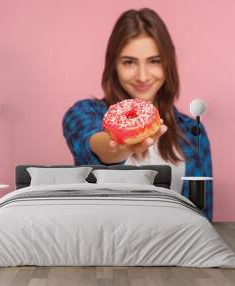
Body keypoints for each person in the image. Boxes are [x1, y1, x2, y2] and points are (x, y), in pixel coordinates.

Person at [62, 8, 213, 221]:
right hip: (106, 248)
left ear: (168, 64)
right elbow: (98, 146)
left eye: (154, 61)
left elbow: (202, 212)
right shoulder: (83, 113)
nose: (142, 76)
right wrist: (120, 148)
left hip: (173, 249)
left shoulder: (192, 131)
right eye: (129, 62)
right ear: (114, 65)